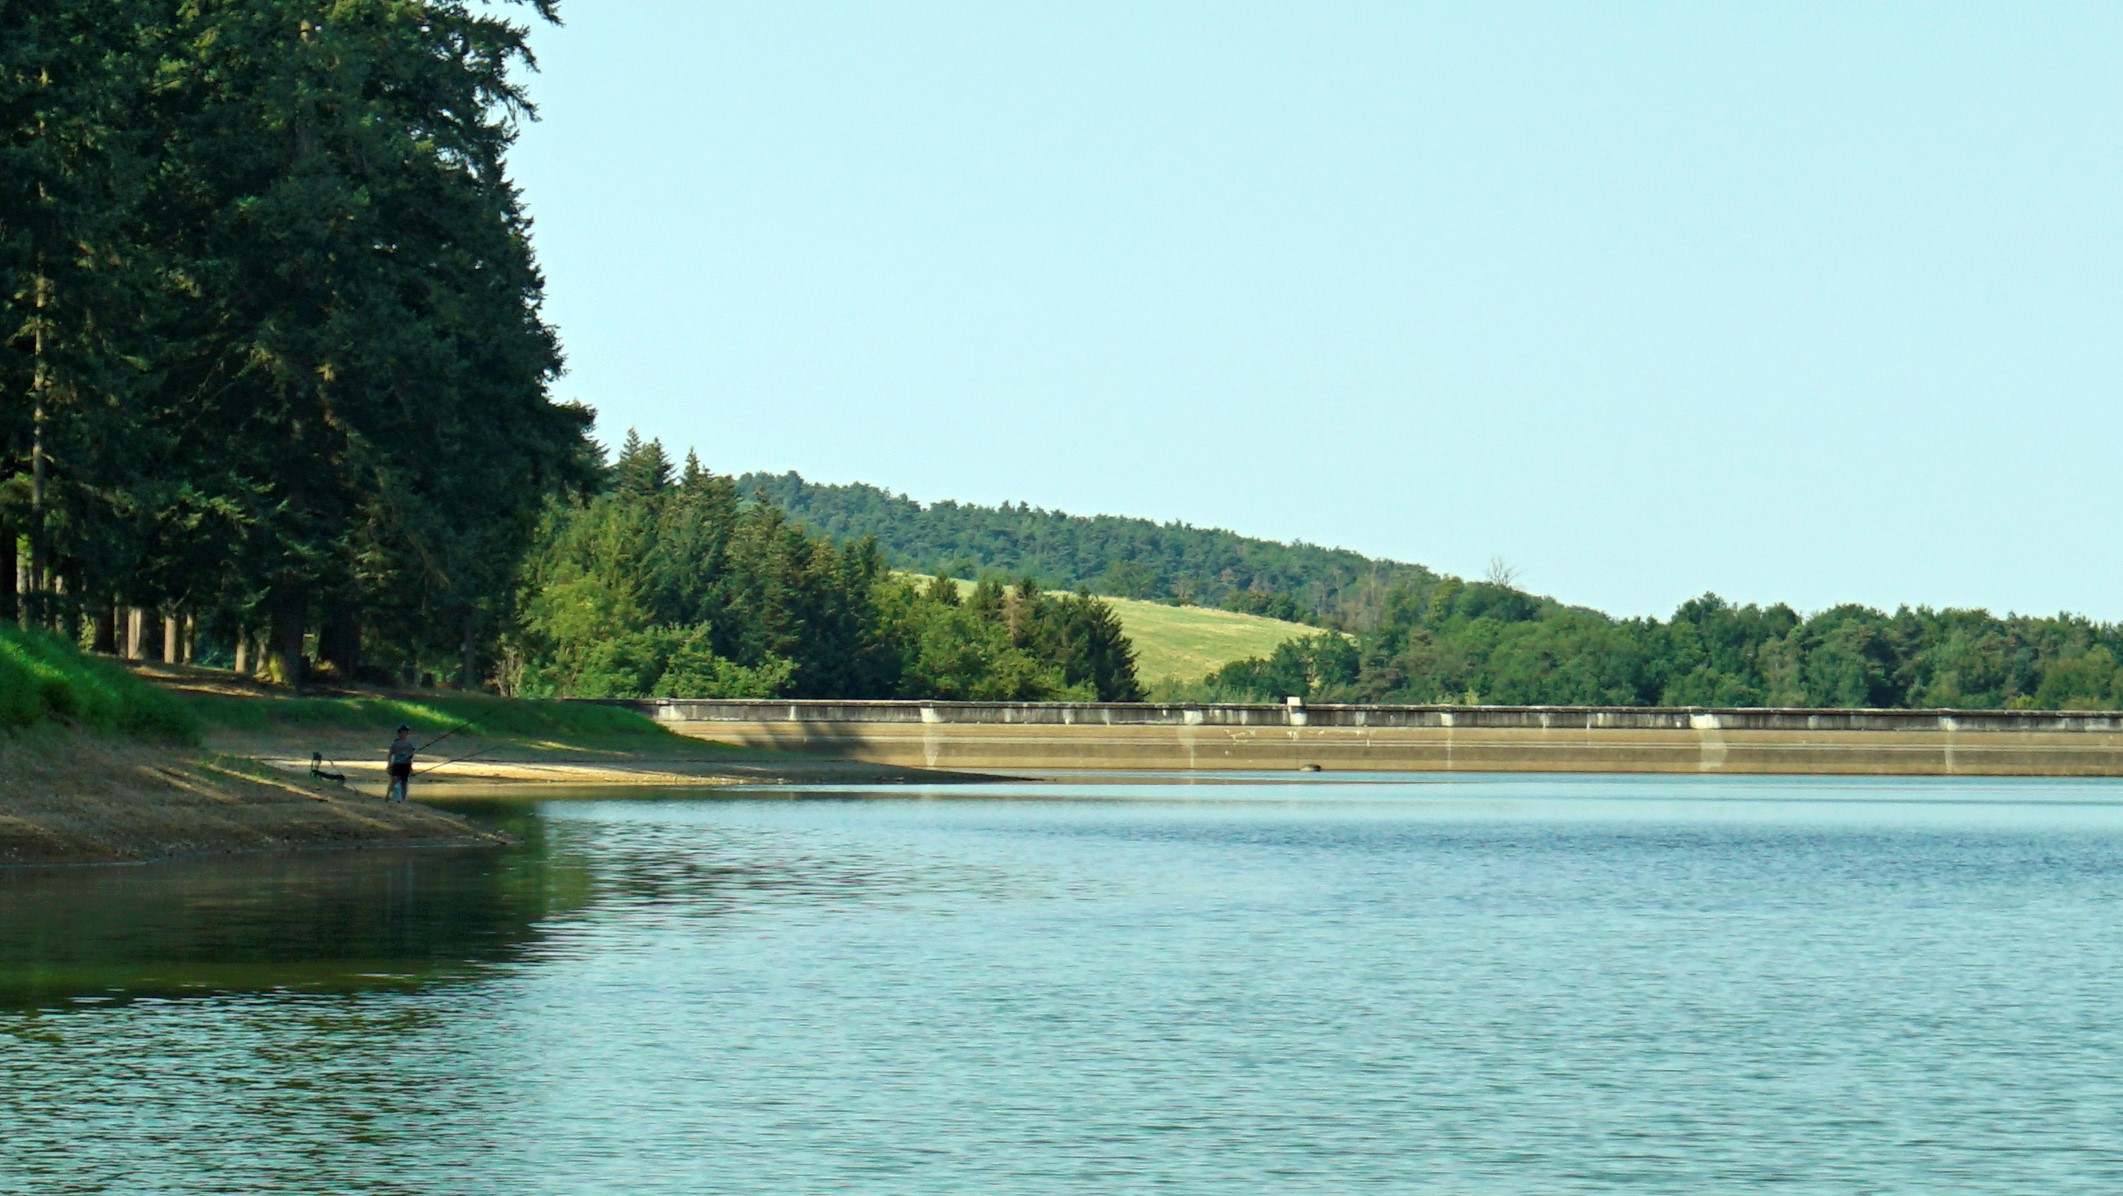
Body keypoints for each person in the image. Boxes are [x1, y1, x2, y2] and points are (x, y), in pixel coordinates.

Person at [386, 724, 416, 803]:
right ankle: (387, 796)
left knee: (404, 782)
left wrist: (411, 768)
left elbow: (411, 757)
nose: (403, 735)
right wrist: (389, 765)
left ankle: (403, 798)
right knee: (394, 780)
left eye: (405, 733)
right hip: (397, 764)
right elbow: (390, 755)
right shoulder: (395, 744)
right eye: (402, 733)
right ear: (399, 734)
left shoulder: (409, 745)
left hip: (406, 764)